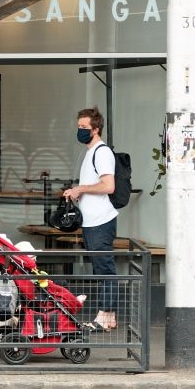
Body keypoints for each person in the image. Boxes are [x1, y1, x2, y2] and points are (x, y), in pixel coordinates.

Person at [63, 106, 118, 332]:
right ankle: (108, 316)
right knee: (100, 269)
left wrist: (81, 189)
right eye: (79, 127)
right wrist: (77, 191)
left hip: (100, 221)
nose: (80, 131)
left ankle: (105, 316)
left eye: (84, 128)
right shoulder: (91, 152)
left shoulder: (102, 152)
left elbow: (109, 186)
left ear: (96, 129)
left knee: (104, 269)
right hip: (93, 221)